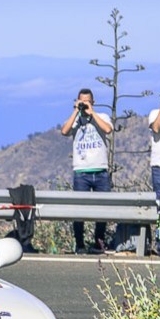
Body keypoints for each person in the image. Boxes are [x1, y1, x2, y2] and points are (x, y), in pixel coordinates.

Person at [60, 88, 113, 254]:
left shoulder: (102, 117)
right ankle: (80, 244)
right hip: (81, 171)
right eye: (81, 101)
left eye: (87, 101)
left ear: (93, 102)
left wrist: (92, 113)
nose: (84, 104)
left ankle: (99, 243)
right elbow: (64, 131)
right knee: (79, 211)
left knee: (102, 211)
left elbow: (107, 129)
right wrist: (76, 111)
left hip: (101, 169)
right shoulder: (75, 119)